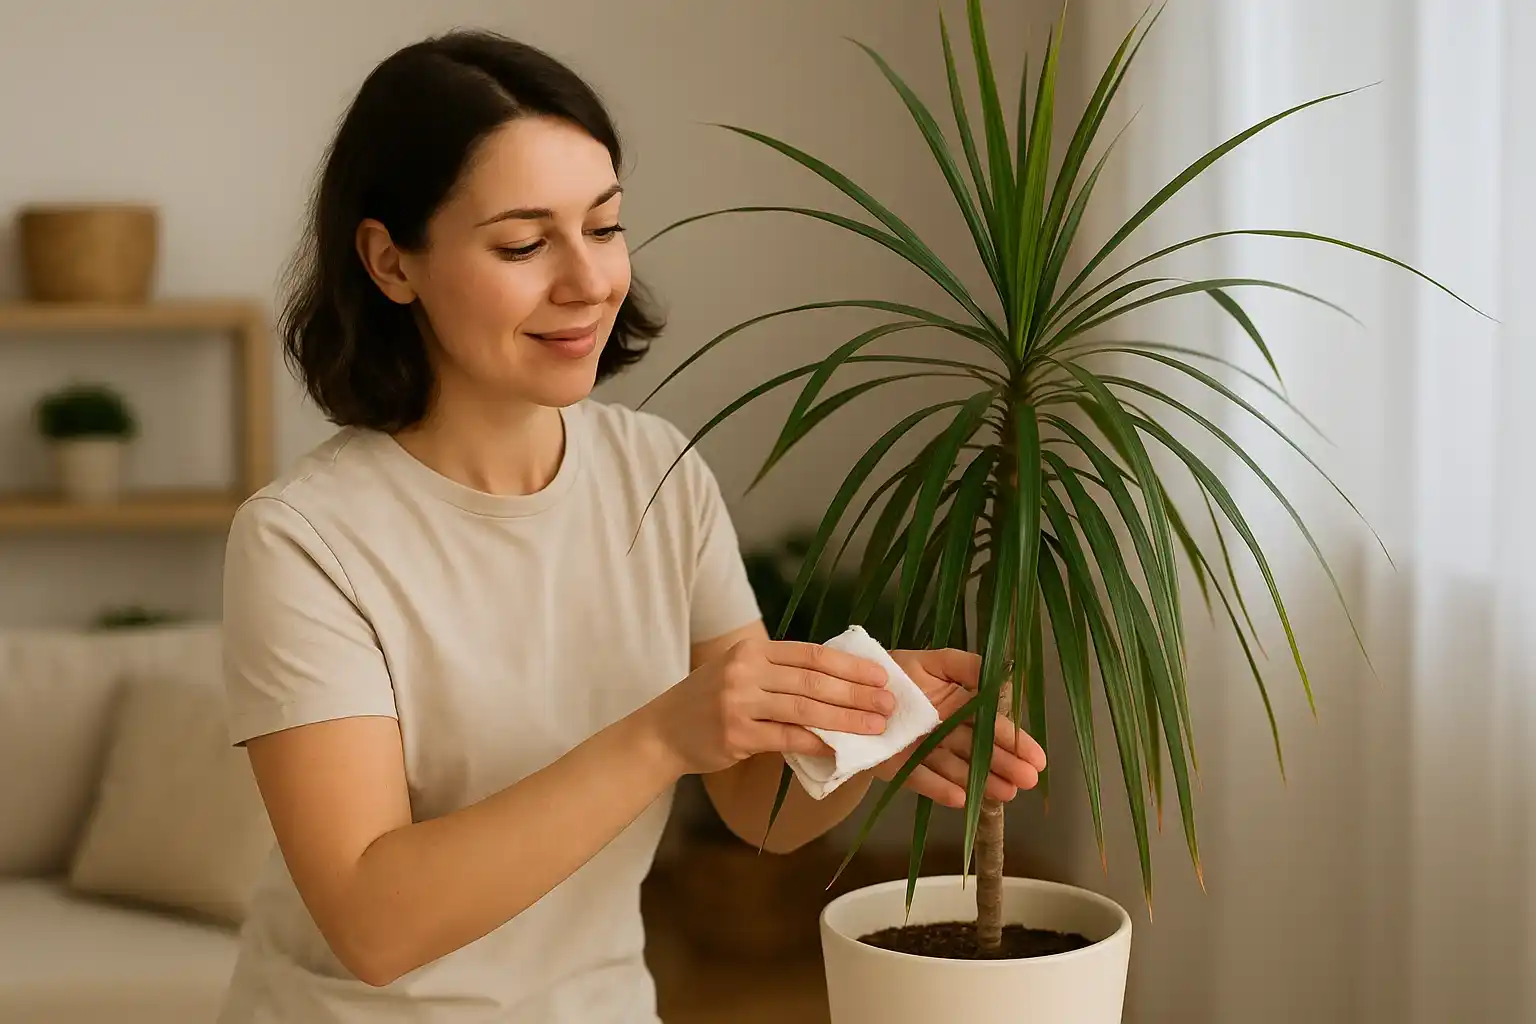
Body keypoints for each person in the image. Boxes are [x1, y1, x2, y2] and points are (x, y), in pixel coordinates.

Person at [217, 28, 1046, 1024]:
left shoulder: (656, 472)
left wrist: (864, 724)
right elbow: (373, 922)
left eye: (603, 226)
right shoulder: (305, 539)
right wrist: (659, 736)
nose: (587, 281)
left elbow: (758, 807)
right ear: (391, 261)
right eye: (523, 244)